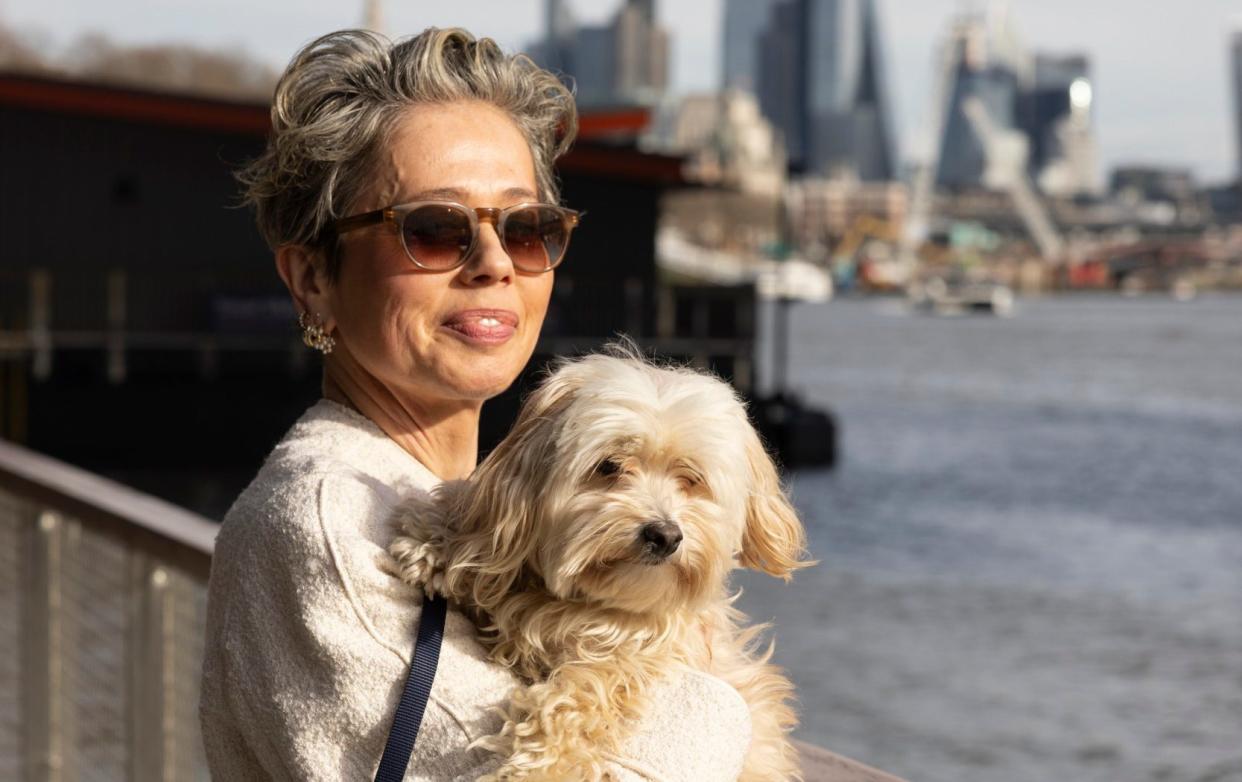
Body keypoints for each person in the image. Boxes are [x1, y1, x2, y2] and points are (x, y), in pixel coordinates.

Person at [198, 28, 754, 781]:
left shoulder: (459, 512)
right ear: (313, 280)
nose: (493, 264)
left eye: (526, 229)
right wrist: (718, 701)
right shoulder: (325, 520)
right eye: (433, 230)